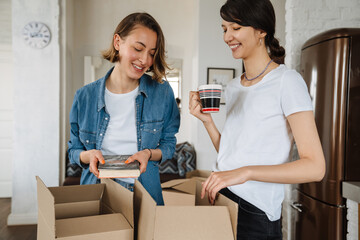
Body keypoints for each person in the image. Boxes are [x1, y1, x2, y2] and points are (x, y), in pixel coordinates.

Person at [189, 0, 325, 239]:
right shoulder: (233, 87)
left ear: (262, 30)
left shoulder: (287, 82)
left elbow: (315, 167)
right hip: (221, 197)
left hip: (255, 212)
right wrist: (207, 122)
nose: (227, 36)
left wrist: (245, 173)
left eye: (235, 27)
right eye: (224, 29)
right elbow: (232, 154)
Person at [68, 12, 180, 205]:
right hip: (99, 193)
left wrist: (148, 153)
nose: (145, 60)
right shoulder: (84, 97)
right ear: (117, 42)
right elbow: (74, 150)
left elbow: (168, 144)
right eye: (138, 48)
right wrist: (89, 155)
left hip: (146, 194)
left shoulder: (162, 92)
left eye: (152, 53)